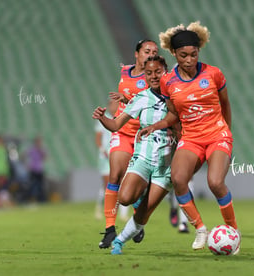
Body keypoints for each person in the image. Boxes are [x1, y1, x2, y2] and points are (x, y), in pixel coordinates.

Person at [138, 21, 240, 252]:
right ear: (174, 53)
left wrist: (227, 134)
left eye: (194, 54)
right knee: (178, 179)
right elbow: (173, 114)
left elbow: (225, 104)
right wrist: (156, 125)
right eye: (183, 55)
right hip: (191, 138)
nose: (189, 60)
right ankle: (200, 229)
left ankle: (233, 230)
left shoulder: (213, 74)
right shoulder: (168, 81)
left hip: (217, 135)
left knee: (215, 182)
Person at [93, 55, 176, 255]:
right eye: (149, 73)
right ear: (145, 76)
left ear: (166, 72)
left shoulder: (177, 95)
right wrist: (103, 118)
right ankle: (144, 191)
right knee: (125, 198)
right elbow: (115, 124)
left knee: (144, 214)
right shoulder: (141, 98)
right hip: (144, 158)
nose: (154, 76)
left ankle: (119, 241)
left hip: (166, 165)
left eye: (158, 71)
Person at [97, 39, 158, 249]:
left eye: (154, 51)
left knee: (137, 186)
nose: (150, 54)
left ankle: (136, 224)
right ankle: (109, 230)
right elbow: (129, 100)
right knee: (115, 176)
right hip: (123, 132)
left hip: (143, 136)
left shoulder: (155, 76)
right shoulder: (125, 72)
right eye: (147, 51)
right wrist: (122, 101)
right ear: (137, 54)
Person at [94, 99, 129, 220]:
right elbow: (98, 137)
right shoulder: (104, 118)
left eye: (116, 104)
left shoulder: (122, 117)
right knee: (108, 184)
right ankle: (100, 207)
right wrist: (102, 150)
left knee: (123, 183)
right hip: (106, 156)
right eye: (112, 104)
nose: (113, 106)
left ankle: (122, 214)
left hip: (119, 154)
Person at [26, 136, 47, 202]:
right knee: (32, 185)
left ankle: (41, 199)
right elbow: (24, 155)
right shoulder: (32, 149)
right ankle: (31, 199)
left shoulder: (42, 149)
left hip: (40, 169)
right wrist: (27, 165)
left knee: (40, 185)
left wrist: (40, 150)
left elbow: (45, 157)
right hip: (33, 169)